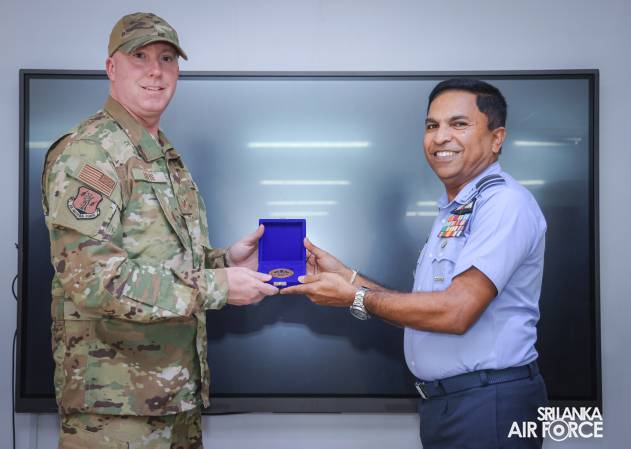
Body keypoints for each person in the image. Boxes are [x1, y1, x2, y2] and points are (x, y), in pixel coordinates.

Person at [42, 12, 278, 449]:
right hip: (114, 412)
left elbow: (166, 261)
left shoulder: (161, 155)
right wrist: (217, 286)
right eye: (140, 56)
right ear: (111, 67)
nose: (156, 71)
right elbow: (94, 282)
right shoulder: (90, 153)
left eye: (167, 58)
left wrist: (226, 261)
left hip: (174, 397)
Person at [282, 78, 548, 448]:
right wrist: (348, 276)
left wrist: (354, 297)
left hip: (490, 406)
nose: (440, 137)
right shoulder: (455, 211)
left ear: (496, 138)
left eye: (458, 124)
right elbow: (424, 309)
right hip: (451, 404)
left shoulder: (504, 204)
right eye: (432, 125)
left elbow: (456, 311)